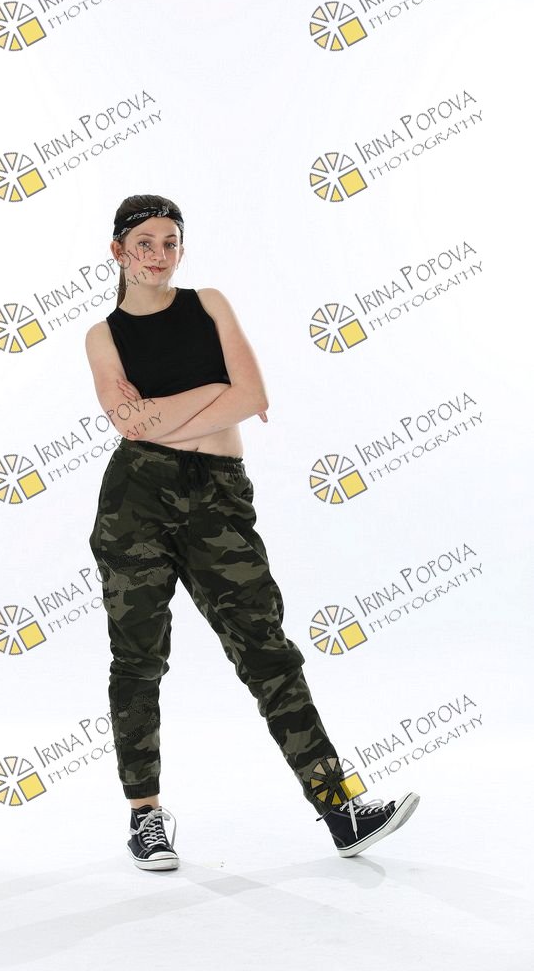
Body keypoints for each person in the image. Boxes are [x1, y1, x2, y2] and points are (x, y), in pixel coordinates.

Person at [85, 194, 420, 871]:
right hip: (135, 500)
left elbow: (253, 395)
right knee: (138, 660)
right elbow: (131, 425)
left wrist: (166, 415)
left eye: (171, 242)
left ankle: (340, 809)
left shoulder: (208, 303)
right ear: (118, 251)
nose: (159, 255)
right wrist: (213, 395)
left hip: (219, 496)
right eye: (145, 243)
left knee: (267, 651)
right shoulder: (103, 336)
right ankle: (145, 818)